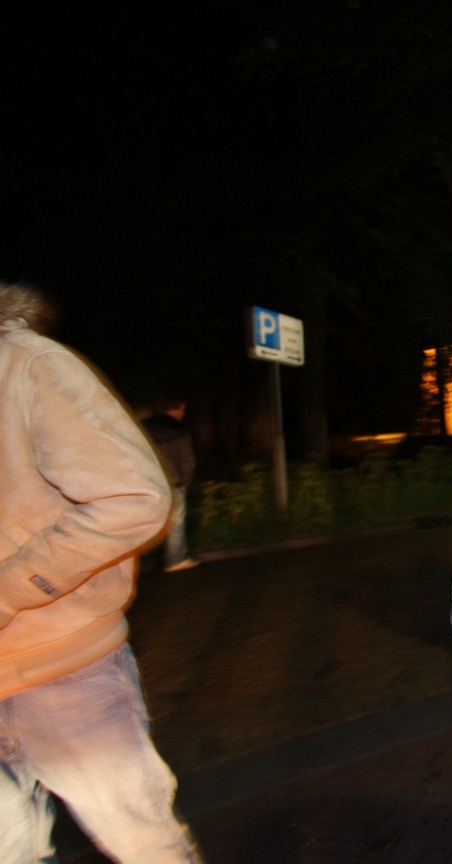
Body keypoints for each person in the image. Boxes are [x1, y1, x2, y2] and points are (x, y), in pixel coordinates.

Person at [0, 283, 202, 862]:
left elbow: (136, 498)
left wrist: (11, 588)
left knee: (144, 847)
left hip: (62, 671)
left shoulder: (27, 366)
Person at [143, 395, 200, 572]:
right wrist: (185, 482)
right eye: (182, 410)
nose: (183, 414)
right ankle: (175, 559)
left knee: (144, 522)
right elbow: (187, 462)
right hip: (173, 483)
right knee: (175, 522)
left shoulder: (143, 429)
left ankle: (137, 560)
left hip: (146, 483)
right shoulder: (179, 432)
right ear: (174, 409)